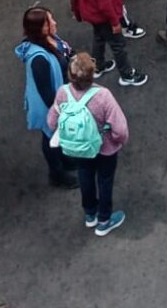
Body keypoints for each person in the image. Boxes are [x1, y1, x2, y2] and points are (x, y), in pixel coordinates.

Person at [47, 52, 129, 236]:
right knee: (105, 180)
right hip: (105, 148)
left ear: (70, 75)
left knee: (85, 175)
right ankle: (104, 219)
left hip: (78, 148)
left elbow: (52, 122)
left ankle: (90, 214)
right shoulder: (103, 96)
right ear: (92, 75)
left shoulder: (63, 93)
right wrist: (119, 141)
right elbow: (120, 130)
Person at [14, 6, 79, 188]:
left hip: (60, 97)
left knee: (59, 133)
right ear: (40, 29)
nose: (54, 23)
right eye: (49, 22)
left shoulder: (51, 41)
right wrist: (61, 109)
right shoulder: (39, 58)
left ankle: (65, 160)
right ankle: (56, 174)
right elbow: (46, 91)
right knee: (51, 136)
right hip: (49, 105)